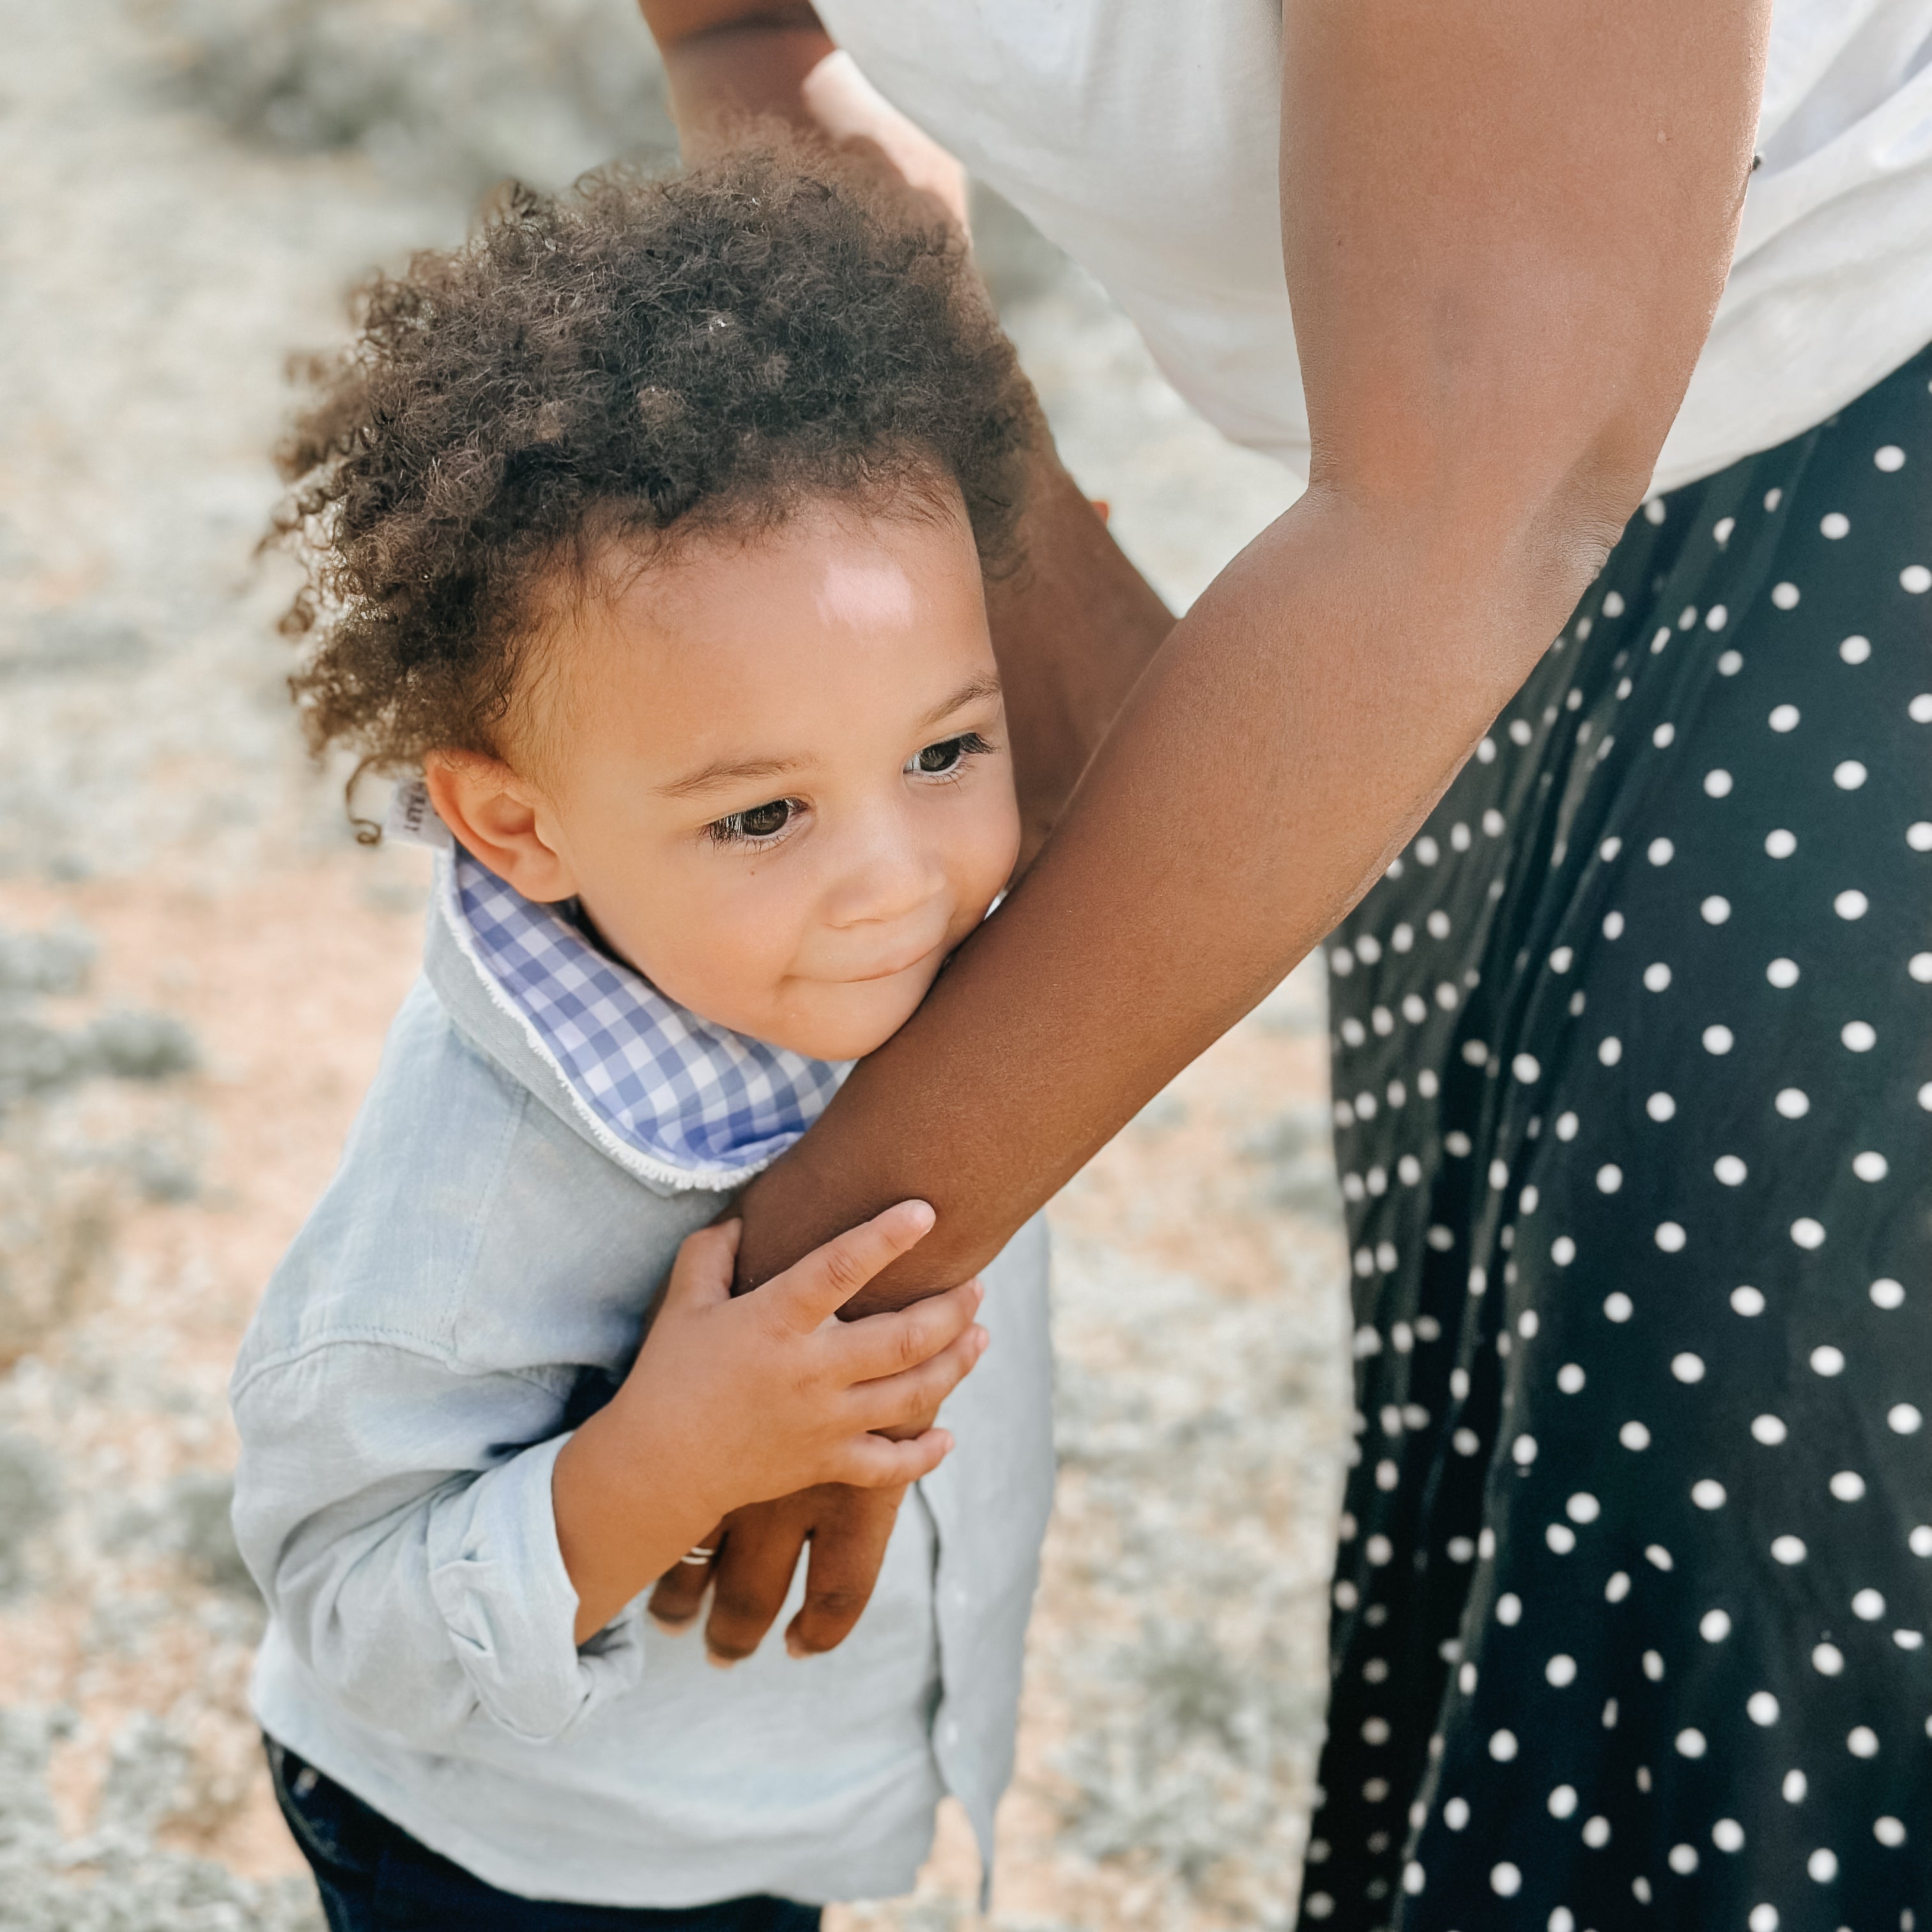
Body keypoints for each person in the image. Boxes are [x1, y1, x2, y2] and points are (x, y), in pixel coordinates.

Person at [629, 3, 1932, 1925]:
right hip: (1459, 550)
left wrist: (837, 1263)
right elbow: (748, 31)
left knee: (1732, 1595)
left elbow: (1476, 492)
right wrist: (1067, 673)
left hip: (1834, 488)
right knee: (1519, 1520)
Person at [229, 153, 1057, 1928]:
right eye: (762, 817)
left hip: (766, 1815)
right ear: (519, 828)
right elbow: (347, 1610)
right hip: (523, 1861)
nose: (894, 883)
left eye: (944, 753)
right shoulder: (472, 1209)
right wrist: (657, 1466)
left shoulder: (966, 972)